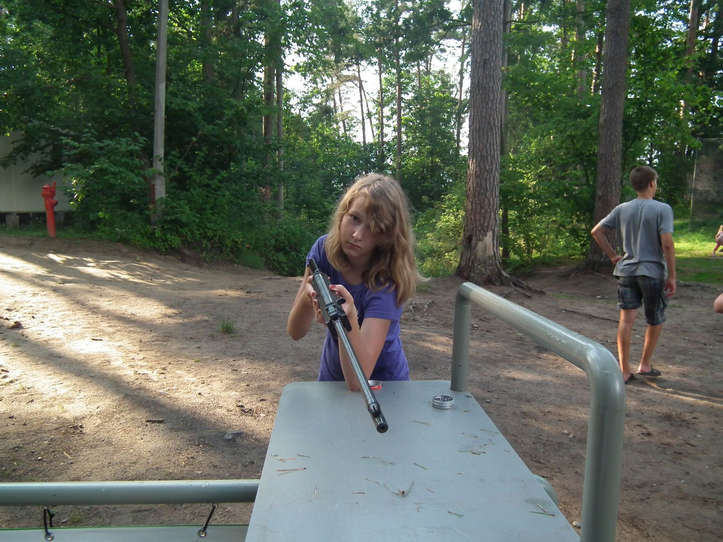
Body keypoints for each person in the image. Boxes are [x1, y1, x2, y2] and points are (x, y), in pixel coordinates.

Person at [287, 173, 417, 391]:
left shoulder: (387, 280)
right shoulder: (323, 250)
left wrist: (349, 318)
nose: (357, 234)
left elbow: (358, 382)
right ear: (343, 213)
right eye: (355, 218)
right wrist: (308, 299)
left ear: (387, 236)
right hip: (332, 381)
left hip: (386, 388)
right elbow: (295, 331)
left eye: (373, 228)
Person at [591, 165, 676, 384]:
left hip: (626, 272)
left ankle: (624, 370)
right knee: (654, 319)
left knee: (626, 320)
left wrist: (613, 256)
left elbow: (596, 232)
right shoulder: (662, 209)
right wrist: (672, 276)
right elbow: (667, 244)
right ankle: (645, 365)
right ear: (651, 184)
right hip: (652, 273)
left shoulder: (622, 209)